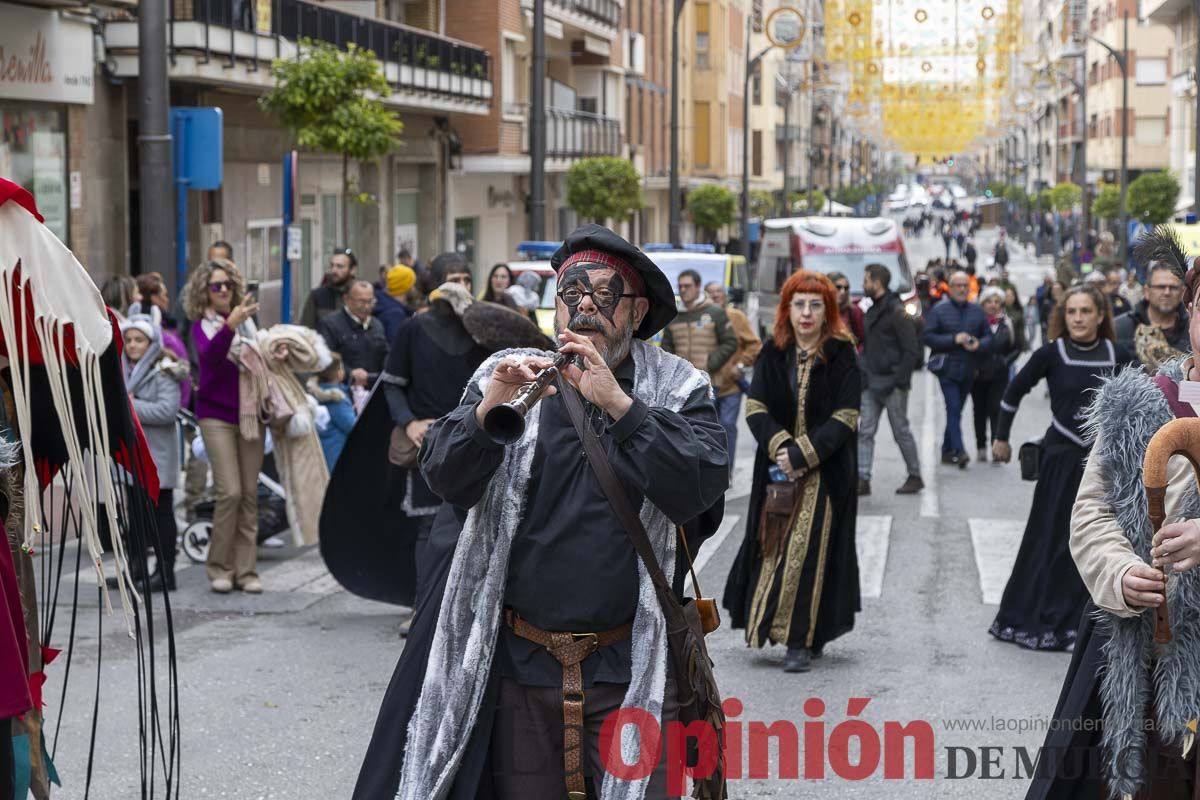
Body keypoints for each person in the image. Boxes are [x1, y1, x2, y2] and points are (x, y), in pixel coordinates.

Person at [352, 225, 729, 800]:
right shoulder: (508, 375)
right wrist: (487, 412)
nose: (584, 306)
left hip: (631, 666)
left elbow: (698, 487)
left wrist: (619, 406)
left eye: (604, 294)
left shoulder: (676, 389)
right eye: (570, 291)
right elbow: (445, 478)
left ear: (637, 310)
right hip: (520, 670)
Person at [1025, 244, 1198, 800]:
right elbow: (1091, 510)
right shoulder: (1138, 403)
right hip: (1137, 639)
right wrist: (1120, 574)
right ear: (1191, 311)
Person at [723, 269, 861, 673]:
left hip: (826, 474)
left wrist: (804, 454)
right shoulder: (774, 350)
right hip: (777, 471)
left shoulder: (841, 352)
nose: (806, 313)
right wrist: (782, 448)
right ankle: (781, 628)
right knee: (775, 549)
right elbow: (756, 407)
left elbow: (847, 414)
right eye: (799, 304)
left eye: (815, 305)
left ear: (827, 310)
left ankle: (801, 639)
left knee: (812, 553)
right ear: (787, 309)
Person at [989, 284, 1130, 653]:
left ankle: (1087, 623)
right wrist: (1000, 438)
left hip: (1103, 465)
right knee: (1051, 540)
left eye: (1086, 311)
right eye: (1072, 312)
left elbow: (1142, 402)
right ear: (1062, 316)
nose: (1079, 318)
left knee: (1099, 542)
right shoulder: (1052, 353)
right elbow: (1013, 391)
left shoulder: (1120, 353)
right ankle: (1047, 619)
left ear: (1101, 316)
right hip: (1060, 461)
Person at [379, 253, 491, 609]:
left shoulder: (485, 329)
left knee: (479, 526)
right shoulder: (414, 328)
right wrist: (408, 421)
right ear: (435, 286)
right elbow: (393, 384)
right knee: (430, 529)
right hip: (429, 439)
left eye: (465, 279)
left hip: (477, 439)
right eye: (451, 280)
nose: (460, 287)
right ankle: (424, 610)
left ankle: (469, 609)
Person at [184, 259, 266, 594]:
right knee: (229, 491)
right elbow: (211, 359)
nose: (223, 291)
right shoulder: (202, 327)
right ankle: (219, 566)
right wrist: (230, 325)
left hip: (250, 415)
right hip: (215, 415)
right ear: (204, 292)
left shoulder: (247, 325)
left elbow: (261, 362)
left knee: (249, 494)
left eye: (227, 285)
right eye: (216, 286)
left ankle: (246, 571)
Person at [121, 313, 189, 591]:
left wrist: (130, 406)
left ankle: (165, 572)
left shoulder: (164, 369)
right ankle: (136, 569)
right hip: (134, 454)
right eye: (128, 340)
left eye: (139, 340)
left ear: (152, 342)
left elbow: (167, 410)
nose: (133, 345)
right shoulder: (126, 369)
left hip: (158, 454)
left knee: (161, 512)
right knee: (135, 512)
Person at [857, 262, 923, 496]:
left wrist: (900, 380)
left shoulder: (896, 310)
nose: (863, 285)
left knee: (900, 431)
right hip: (872, 381)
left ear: (877, 283)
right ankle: (862, 478)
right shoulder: (872, 308)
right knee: (865, 431)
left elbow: (911, 349)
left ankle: (915, 475)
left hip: (892, 383)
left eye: (866, 280)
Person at [922, 270, 995, 468]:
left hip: (970, 369)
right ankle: (960, 450)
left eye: (965, 286)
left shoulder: (977, 311)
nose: (962, 289)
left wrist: (978, 344)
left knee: (956, 410)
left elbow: (990, 338)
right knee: (953, 408)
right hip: (947, 369)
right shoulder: (939, 310)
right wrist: (953, 339)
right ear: (950, 288)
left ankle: (947, 450)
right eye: (958, 286)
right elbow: (927, 337)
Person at [661, 268, 739, 450]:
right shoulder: (674, 317)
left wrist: (711, 363)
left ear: (698, 287)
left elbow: (730, 342)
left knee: (713, 431)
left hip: (709, 382)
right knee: (687, 433)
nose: (683, 290)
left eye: (687, 286)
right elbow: (666, 349)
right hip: (682, 385)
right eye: (680, 286)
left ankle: (724, 472)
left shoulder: (714, 312)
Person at [704, 280, 763, 462]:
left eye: (718, 292)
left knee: (728, 425)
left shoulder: (736, 317)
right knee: (707, 428)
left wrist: (740, 365)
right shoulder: (701, 318)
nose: (715, 295)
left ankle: (727, 470)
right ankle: (710, 468)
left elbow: (755, 345)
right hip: (706, 386)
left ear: (725, 295)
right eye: (710, 292)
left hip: (732, 385)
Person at [969, 287, 1019, 464]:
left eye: (997, 301)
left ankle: (995, 447)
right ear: (982, 304)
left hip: (999, 375)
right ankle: (981, 446)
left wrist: (1005, 361)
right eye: (989, 301)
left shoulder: (1007, 323)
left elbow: (1017, 347)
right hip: (979, 375)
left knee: (996, 409)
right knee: (979, 411)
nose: (993, 305)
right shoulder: (975, 323)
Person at [1114, 262, 1190, 371]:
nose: (1167, 292)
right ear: (1146, 291)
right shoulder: (1119, 327)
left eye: (1173, 287)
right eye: (1160, 287)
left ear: (1182, 292)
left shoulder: (1194, 328)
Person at [318, 280, 390, 389]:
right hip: (343, 389)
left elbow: (385, 353)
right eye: (361, 301)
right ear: (346, 299)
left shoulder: (376, 325)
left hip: (373, 390)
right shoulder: (330, 324)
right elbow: (326, 358)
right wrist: (350, 373)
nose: (366, 306)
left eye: (370, 301)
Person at [311, 353, 356, 470]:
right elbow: (351, 425)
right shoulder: (337, 398)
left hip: (324, 449)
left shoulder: (317, 392)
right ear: (339, 373)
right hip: (337, 452)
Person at [300, 247, 357, 328]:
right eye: (332, 265)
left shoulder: (361, 296)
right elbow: (305, 330)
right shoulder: (318, 296)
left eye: (339, 266)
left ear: (352, 270)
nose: (334, 270)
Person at [374, 264, 415, 342]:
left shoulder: (384, 304)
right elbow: (396, 348)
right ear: (406, 287)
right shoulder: (395, 314)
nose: (414, 288)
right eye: (412, 285)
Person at [824, 271, 865, 347]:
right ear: (828, 288)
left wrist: (855, 355)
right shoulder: (819, 310)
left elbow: (863, 341)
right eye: (838, 287)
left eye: (846, 288)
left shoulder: (854, 311)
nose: (843, 292)